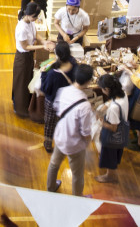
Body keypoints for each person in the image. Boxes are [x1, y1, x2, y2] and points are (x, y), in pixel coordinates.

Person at [46, 64, 95, 196]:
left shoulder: (63, 90)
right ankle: (77, 198)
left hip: (60, 136)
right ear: (88, 81)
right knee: (77, 174)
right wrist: (89, 143)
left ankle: (50, 187)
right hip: (75, 144)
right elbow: (85, 131)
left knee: (54, 163)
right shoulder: (85, 105)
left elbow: (57, 108)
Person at [12, 3, 53, 118]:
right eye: (35, 17)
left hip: (28, 56)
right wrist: (42, 47)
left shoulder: (30, 22)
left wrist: (44, 42)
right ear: (29, 15)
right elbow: (25, 47)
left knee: (28, 80)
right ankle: (20, 109)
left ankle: (25, 104)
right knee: (22, 83)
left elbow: (35, 34)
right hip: (22, 57)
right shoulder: (21, 28)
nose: (36, 19)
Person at [39, 42, 77, 153]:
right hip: (68, 102)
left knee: (50, 124)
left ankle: (48, 144)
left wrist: (43, 73)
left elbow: (45, 88)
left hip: (52, 101)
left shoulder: (53, 73)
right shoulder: (73, 65)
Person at [95, 73, 129, 183]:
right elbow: (112, 101)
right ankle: (110, 174)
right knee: (113, 156)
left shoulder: (114, 108)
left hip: (112, 137)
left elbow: (113, 127)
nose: (102, 91)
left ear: (107, 89)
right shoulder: (123, 94)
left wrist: (101, 123)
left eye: (102, 89)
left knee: (109, 156)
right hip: (122, 133)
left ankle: (110, 176)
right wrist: (105, 106)